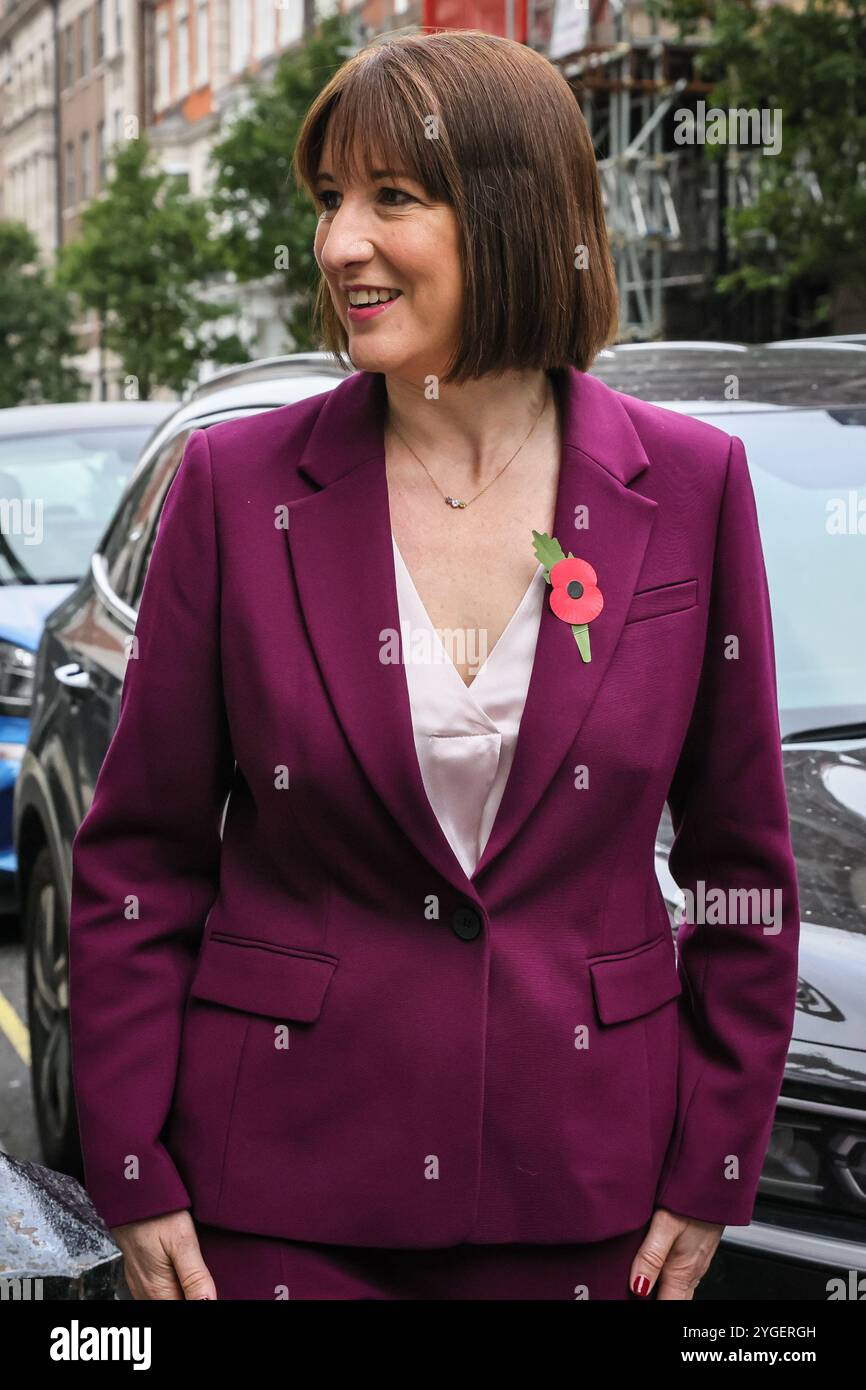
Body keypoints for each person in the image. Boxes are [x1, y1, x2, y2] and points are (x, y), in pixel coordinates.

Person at [68, 29, 801, 1301]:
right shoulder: (237, 490)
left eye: (390, 198)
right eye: (329, 201)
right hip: (271, 1194)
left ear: (517, 216)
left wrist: (714, 1162)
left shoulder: (689, 488)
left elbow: (741, 867)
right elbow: (141, 858)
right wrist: (132, 1165)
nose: (339, 241)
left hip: (587, 1193)